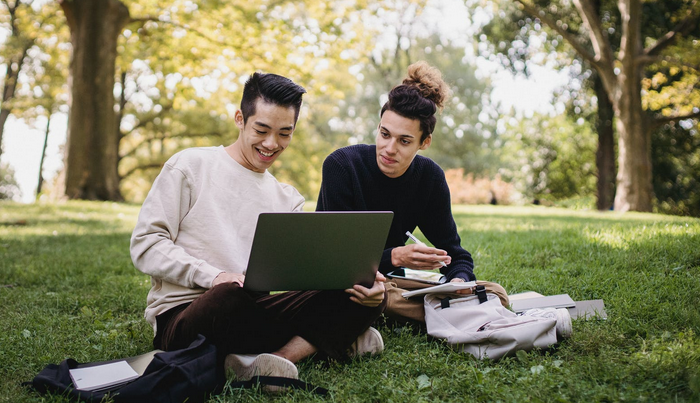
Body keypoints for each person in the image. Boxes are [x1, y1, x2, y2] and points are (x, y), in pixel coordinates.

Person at [130, 72, 387, 386]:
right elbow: (145, 244)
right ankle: (330, 340)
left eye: (284, 133)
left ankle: (275, 360)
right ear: (240, 118)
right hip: (191, 315)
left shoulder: (288, 198)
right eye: (262, 130)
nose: (271, 144)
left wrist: (358, 282)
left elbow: (300, 276)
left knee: (367, 292)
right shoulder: (190, 166)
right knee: (228, 296)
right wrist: (214, 276)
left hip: (253, 311)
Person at [316, 61, 475, 287]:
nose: (390, 148)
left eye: (404, 141)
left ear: (424, 142)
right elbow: (336, 260)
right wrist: (395, 257)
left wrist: (459, 282)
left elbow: (457, 257)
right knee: (367, 295)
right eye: (385, 134)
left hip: (391, 283)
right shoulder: (342, 166)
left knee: (491, 291)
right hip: (340, 283)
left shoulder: (430, 178)